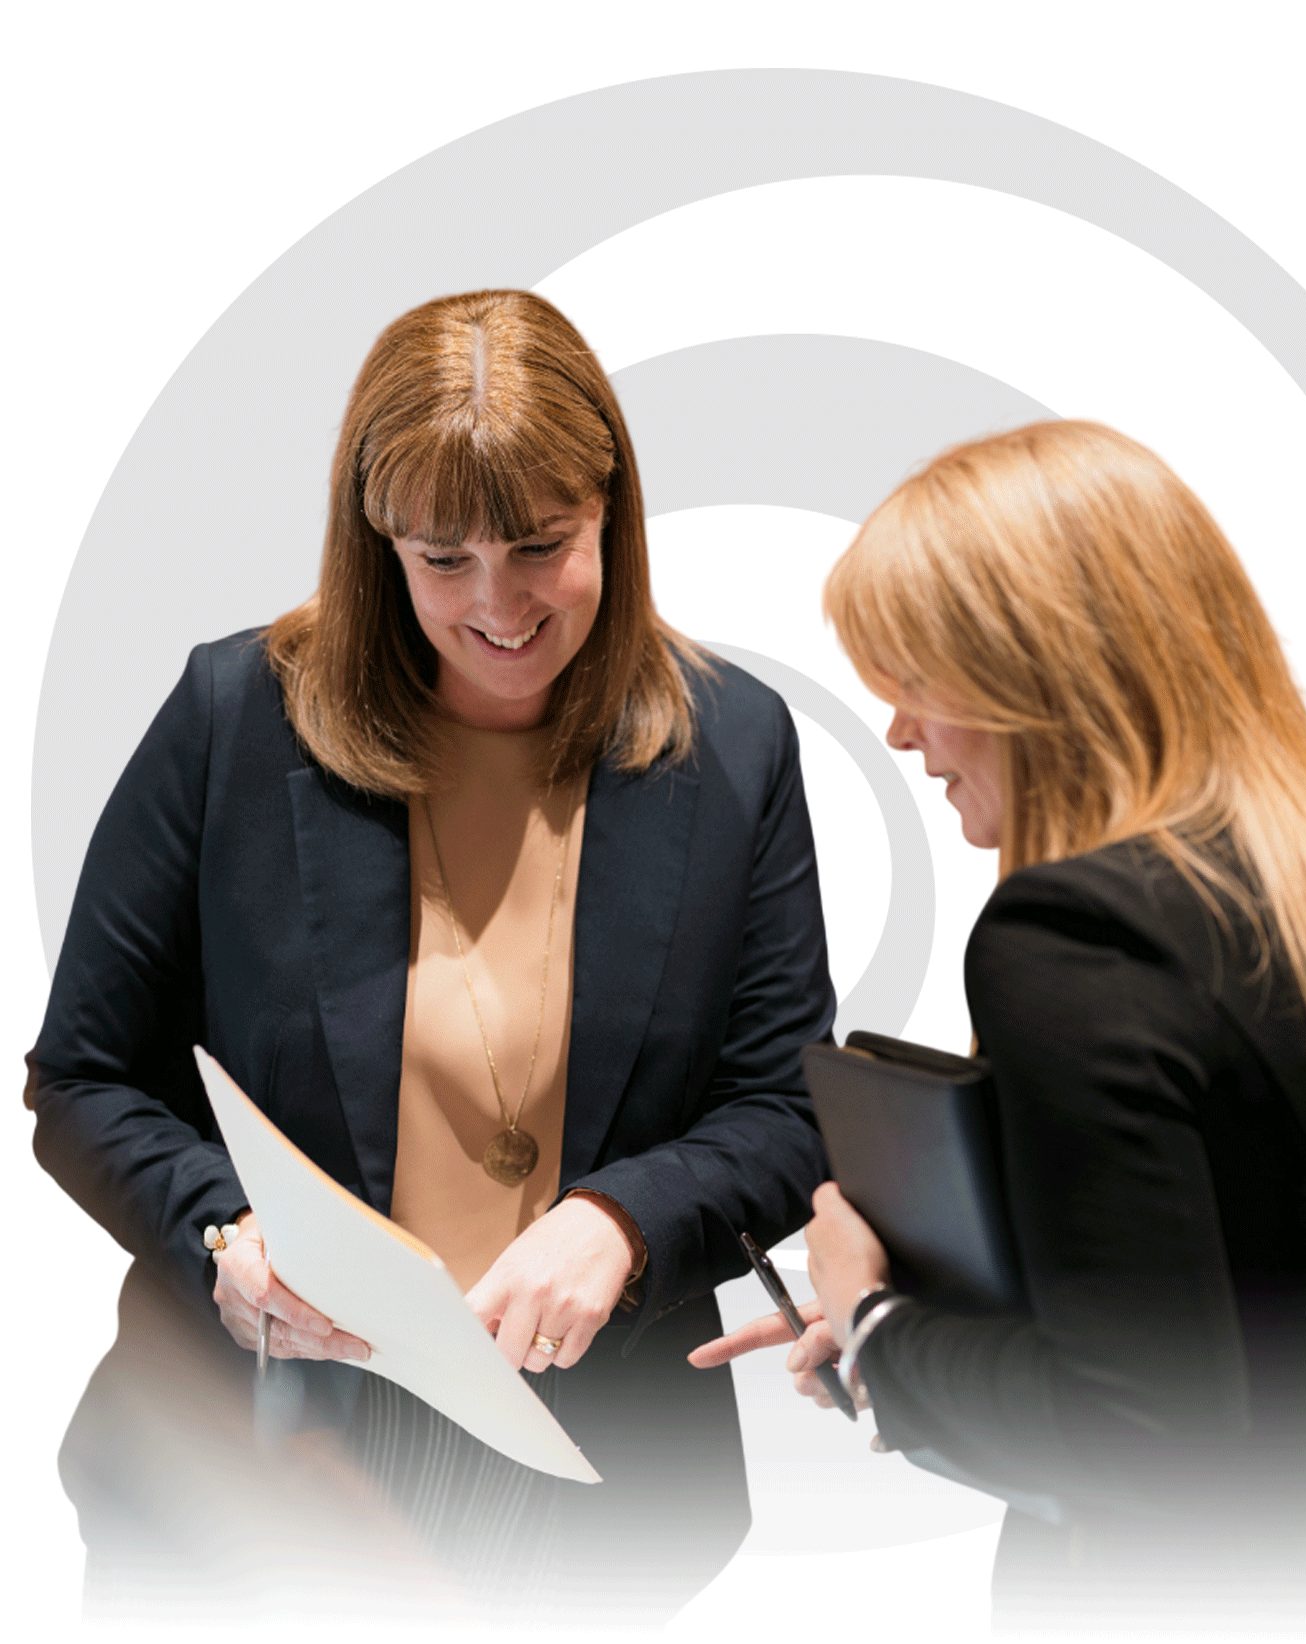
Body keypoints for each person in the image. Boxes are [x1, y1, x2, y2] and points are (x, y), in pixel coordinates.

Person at [27, 289, 834, 1621]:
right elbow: (83, 1079)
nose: (498, 605)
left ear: (614, 515)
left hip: (592, 1481)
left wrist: (626, 1224)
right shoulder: (234, 719)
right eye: (441, 558)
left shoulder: (733, 744)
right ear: (373, 545)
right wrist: (223, 1233)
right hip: (257, 1465)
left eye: (539, 546)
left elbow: (787, 1111)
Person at [693, 420, 1306, 1636]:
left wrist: (877, 1330)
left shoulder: (1068, 936)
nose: (902, 735)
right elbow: (1256, 1284)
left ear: (1036, 676)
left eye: (916, 678)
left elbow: (1145, 1431)